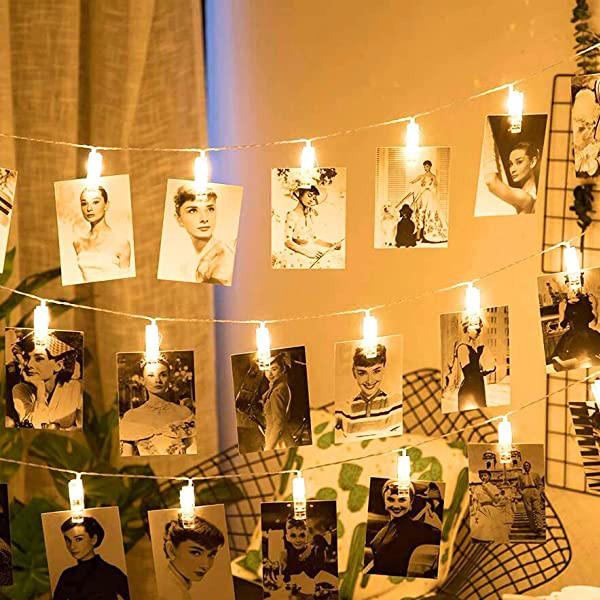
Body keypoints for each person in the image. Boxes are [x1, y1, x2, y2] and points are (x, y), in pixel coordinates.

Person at [119, 358, 195, 456]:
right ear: (142, 380)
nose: (158, 380)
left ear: (169, 379)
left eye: (163, 375)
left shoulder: (184, 413)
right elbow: (127, 457)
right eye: (151, 375)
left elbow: (193, 452)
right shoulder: (131, 417)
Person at [365, 481, 440, 577]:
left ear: (410, 502)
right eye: (391, 500)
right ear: (384, 501)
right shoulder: (384, 530)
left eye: (402, 500)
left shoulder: (417, 529)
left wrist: (438, 504)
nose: (396, 506)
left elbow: (444, 537)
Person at [10, 331, 82, 430]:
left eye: (39, 359)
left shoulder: (76, 389)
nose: (29, 364)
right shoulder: (21, 390)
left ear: (58, 365)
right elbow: (35, 427)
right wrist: (40, 389)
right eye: (27, 358)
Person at [335, 344, 403, 441]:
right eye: (362, 373)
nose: (370, 381)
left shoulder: (395, 404)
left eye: (376, 371)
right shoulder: (344, 410)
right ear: (354, 372)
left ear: (384, 369)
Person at [53, 516, 130, 600]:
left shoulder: (112, 574)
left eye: (78, 539)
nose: (72, 546)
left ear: (94, 539)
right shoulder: (67, 576)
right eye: (68, 540)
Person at [171, 185, 235, 285]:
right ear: (179, 219)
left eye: (210, 209)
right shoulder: (183, 269)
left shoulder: (230, 253)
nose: (204, 219)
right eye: (193, 210)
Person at [273, 182, 343, 269]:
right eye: (309, 195)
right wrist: (307, 253)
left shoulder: (308, 216)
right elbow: (287, 242)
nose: (311, 200)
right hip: (295, 254)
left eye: (314, 198)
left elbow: (315, 239)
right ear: (300, 194)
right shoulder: (292, 214)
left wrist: (332, 245)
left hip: (308, 250)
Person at [72, 186, 132, 282]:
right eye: (84, 203)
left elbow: (126, 282)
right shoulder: (78, 242)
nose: (89, 208)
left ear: (106, 205)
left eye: (95, 202)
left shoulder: (121, 242)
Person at [481, 118, 540, 214]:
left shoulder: (526, 197)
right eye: (511, 164)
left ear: (533, 162)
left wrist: (487, 134)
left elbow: (491, 181)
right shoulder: (524, 195)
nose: (512, 169)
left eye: (519, 162)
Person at [159, 515, 225, 600]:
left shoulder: (178, 585)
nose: (205, 565)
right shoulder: (174, 594)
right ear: (171, 550)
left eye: (211, 555)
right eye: (196, 553)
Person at [445, 317, 496, 411]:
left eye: (479, 326)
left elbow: (479, 370)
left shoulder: (475, 348)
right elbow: (470, 373)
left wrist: (490, 368)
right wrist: (487, 368)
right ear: (466, 328)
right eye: (474, 325)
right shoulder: (462, 347)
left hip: (478, 388)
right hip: (469, 390)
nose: (478, 329)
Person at [552, 281, 600, 371]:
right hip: (583, 337)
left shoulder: (588, 300)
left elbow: (562, 325)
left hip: (579, 337)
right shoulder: (565, 304)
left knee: (589, 361)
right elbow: (593, 320)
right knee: (576, 363)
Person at [261, 352, 295, 451]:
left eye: (274, 369)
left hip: (279, 442)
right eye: (267, 370)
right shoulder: (277, 388)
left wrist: (268, 447)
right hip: (276, 437)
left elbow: (279, 424)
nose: (270, 374)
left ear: (283, 369)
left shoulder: (278, 391)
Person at [409, 160, 448, 243]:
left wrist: (429, 187)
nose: (425, 168)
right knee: (420, 212)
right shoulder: (421, 176)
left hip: (429, 195)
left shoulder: (433, 176)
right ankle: (418, 235)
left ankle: (427, 234)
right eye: (424, 166)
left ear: (430, 166)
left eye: (427, 166)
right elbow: (413, 182)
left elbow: (436, 186)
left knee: (429, 212)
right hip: (422, 195)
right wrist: (414, 186)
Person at [470, 470, 510, 543]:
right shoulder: (477, 488)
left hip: (491, 509)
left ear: (489, 476)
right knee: (478, 529)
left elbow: (496, 500)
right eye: (481, 476)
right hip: (481, 509)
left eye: (485, 475)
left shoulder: (493, 487)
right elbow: (475, 501)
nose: (483, 477)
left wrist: (487, 490)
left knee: (495, 531)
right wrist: (474, 511)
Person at [516, 461, 545, 536]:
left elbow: (540, 484)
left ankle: (540, 527)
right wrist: (522, 493)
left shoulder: (535, 474)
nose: (526, 467)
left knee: (537, 509)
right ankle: (533, 527)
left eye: (527, 465)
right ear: (523, 467)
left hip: (534, 490)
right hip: (526, 491)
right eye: (525, 465)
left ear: (530, 466)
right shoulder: (520, 476)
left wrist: (539, 492)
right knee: (529, 510)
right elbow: (518, 486)